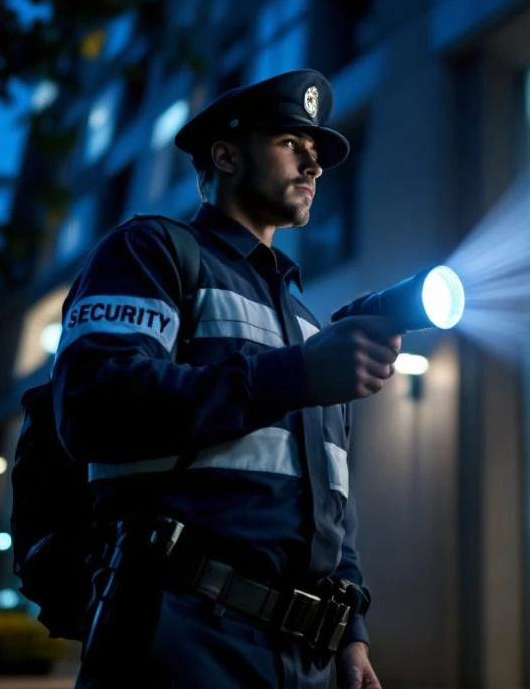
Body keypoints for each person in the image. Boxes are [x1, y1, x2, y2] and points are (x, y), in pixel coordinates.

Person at [51, 69, 401, 688]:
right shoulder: (151, 251)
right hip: (177, 631)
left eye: (316, 152)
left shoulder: (304, 320)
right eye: (292, 144)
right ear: (225, 153)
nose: (313, 165)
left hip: (307, 658)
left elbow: (330, 501)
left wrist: (351, 634)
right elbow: (92, 405)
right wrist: (291, 377)